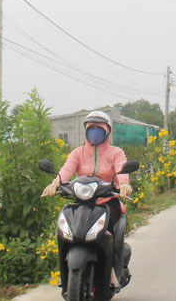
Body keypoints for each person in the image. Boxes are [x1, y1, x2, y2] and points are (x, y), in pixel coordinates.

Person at [42, 110, 133, 287]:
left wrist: (124, 184)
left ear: (107, 131)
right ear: (85, 131)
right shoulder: (78, 153)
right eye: (91, 128)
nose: (95, 132)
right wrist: (55, 183)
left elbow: (122, 169)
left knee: (111, 233)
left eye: (99, 128)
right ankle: (64, 270)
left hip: (107, 201)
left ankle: (113, 271)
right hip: (81, 203)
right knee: (65, 229)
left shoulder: (116, 152)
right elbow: (66, 171)